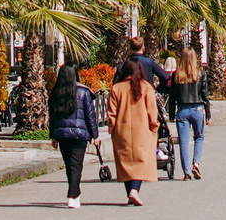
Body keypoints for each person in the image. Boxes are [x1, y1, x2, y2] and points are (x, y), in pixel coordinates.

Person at [105, 56, 161, 204]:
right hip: (142, 130)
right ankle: (134, 191)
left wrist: (112, 128)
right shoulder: (145, 87)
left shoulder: (116, 88)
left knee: (125, 162)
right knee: (141, 160)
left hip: (121, 130)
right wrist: (154, 126)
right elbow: (152, 111)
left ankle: (130, 191)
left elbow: (111, 112)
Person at [48, 60, 100, 208]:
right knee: (76, 166)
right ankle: (73, 195)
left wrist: (53, 136)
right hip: (79, 134)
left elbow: (53, 116)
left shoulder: (57, 92)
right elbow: (90, 116)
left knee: (70, 165)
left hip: (62, 134)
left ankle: (74, 193)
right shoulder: (84, 92)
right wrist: (95, 135)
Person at [167, 46, 209, 178]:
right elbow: (205, 95)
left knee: (183, 142)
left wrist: (172, 114)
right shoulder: (200, 74)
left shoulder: (176, 75)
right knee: (199, 137)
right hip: (197, 109)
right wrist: (208, 113)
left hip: (182, 109)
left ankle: (186, 172)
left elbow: (172, 96)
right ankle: (196, 163)